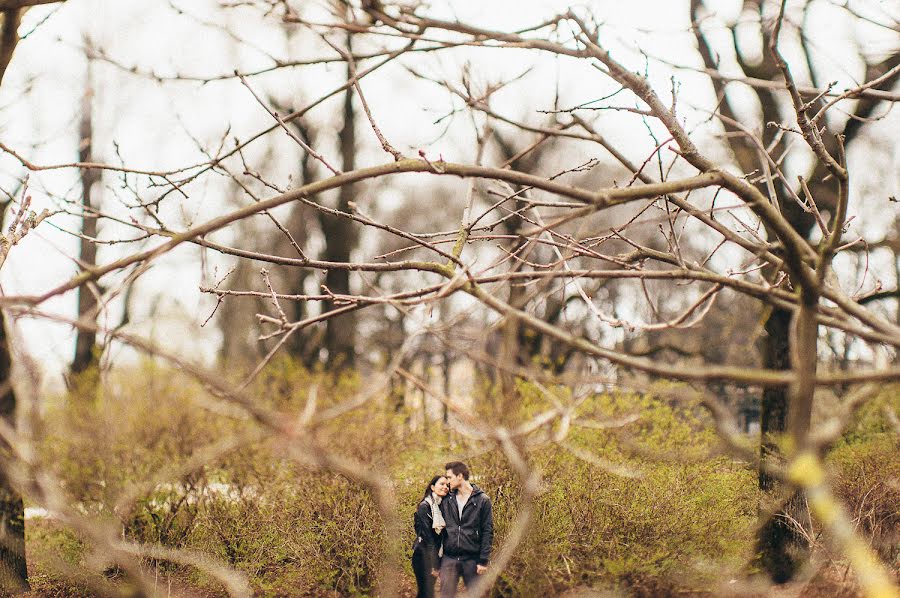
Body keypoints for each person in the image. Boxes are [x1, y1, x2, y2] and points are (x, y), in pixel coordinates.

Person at [438, 461, 493, 597]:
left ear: (460, 476)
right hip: (449, 558)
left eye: (449, 477)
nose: (447, 481)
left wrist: (483, 560)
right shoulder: (446, 499)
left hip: (472, 559)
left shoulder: (482, 500)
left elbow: (488, 531)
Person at [412, 474, 449, 598]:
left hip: (434, 555)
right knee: (425, 593)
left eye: (447, 485)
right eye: (442, 484)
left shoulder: (441, 507)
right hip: (423, 556)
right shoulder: (425, 507)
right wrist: (435, 564)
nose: (445, 487)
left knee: (427, 593)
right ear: (432, 487)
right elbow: (428, 538)